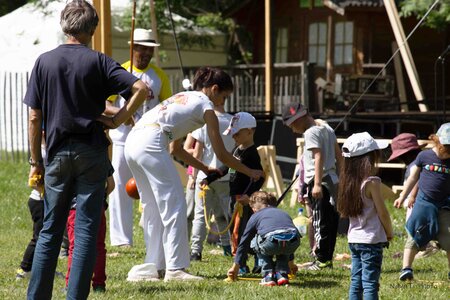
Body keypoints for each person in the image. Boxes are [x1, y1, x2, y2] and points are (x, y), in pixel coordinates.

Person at [24, 1, 148, 299]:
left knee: (50, 230)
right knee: (86, 232)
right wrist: (118, 119)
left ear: (64, 25)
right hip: (92, 152)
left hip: (56, 153)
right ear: (92, 29)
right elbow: (141, 88)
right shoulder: (99, 61)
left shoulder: (44, 61)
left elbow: (33, 116)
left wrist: (34, 161)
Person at [124, 67, 264, 281]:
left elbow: (176, 149)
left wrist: (206, 169)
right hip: (151, 141)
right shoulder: (207, 106)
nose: (223, 102)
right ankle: (176, 268)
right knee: (175, 203)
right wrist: (249, 170)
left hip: (133, 141)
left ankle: (155, 266)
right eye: (224, 97)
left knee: (153, 206)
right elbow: (222, 154)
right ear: (215, 89)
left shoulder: (183, 96)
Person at [105, 28, 172, 248]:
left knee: (153, 187)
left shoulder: (159, 75)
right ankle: (121, 239)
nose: (145, 54)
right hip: (123, 137)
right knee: (120, 186)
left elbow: (167, 106)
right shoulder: (121, 71)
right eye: (141, 48)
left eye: (149, 50)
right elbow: (105, 104)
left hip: (149, 140)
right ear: (132, 48)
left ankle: (152, 230)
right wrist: (122, 115)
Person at [202, 111, 265, 274]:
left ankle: (252, 262)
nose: (234, 136)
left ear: (250, 132)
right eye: (232, 133)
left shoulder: (252, 154)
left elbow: (259, 178)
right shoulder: (237, 150)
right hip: (234, 198)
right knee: (235, 232)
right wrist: (209, 179)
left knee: (245, 232)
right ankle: (242, 261)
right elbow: (226, 168)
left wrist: (249, 195)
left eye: (237, 133)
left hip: (244, 201)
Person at [282, 102, 342, 270]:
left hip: (320, 182)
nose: (293, 129)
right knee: (330, 222)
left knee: (319, 222)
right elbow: (339, 154)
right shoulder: (327, 129)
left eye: (293, 124)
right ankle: (326, 259)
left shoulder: (310, 133)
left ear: (301, 118)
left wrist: (316, 184)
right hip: (332, 179)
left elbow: (318, 157)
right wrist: (342, 178)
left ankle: (320, 260)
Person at [337, 132, 393, 300]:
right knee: (370, 283)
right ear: (368, 158)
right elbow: (382, 212)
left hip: (354, 239)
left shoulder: (347, 181)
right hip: (371, 240)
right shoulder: (372, 182)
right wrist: (389, 232)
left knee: (356, 280)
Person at [393, 123, 450, 281]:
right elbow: (413, 178)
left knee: (449, 237)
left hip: (445, 204)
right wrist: (403, 196)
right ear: (436, 141)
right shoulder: (424, 156)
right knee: (414, 234)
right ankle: (406, 268)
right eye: (446, 147)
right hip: (424, 203)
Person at [189, 103, 234, 261]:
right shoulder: (232, 121)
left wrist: (192, 177)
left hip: (205, 176)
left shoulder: (204, 121)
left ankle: (196, 251)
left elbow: (197, 152)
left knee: (201, 215)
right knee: (223, 215)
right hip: (225, 176)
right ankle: (228, 247)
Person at [227, 191, 300, 286]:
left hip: (271, 242)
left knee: (255, 240)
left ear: (254, 209)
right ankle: (282, 273)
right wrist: (291, 264)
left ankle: (268, 274)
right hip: (294, 241)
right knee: (284, 241)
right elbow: (289, 234)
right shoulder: (283, 212)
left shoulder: (255, 216)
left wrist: (235, 266)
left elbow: (244, 242)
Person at [65, 168, 115, 293]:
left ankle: (70, 284)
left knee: (74, 247)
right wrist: (102, 198)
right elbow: (111, 184)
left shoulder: (68, 153)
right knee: (98, 247)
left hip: (74, 208)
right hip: (97, 206)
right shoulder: (100, 153)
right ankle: (99, 284)